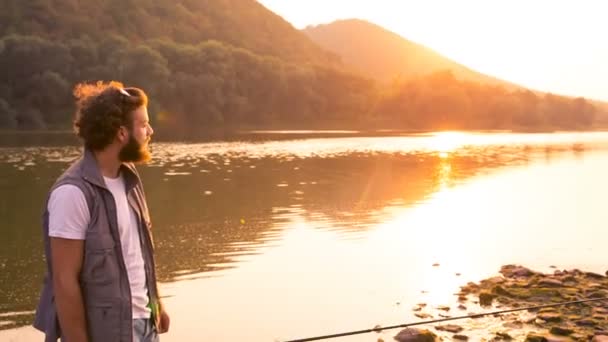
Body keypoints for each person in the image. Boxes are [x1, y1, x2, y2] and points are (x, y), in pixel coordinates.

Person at [33, 81, 170, 342]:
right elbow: (64, 283)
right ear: (121, 133)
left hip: (144, 325)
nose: (150, 131)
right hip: (105, 332)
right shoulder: (72, 193)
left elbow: (139, 255)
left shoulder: (130, 180)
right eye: (143, 124)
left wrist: (156, 305)